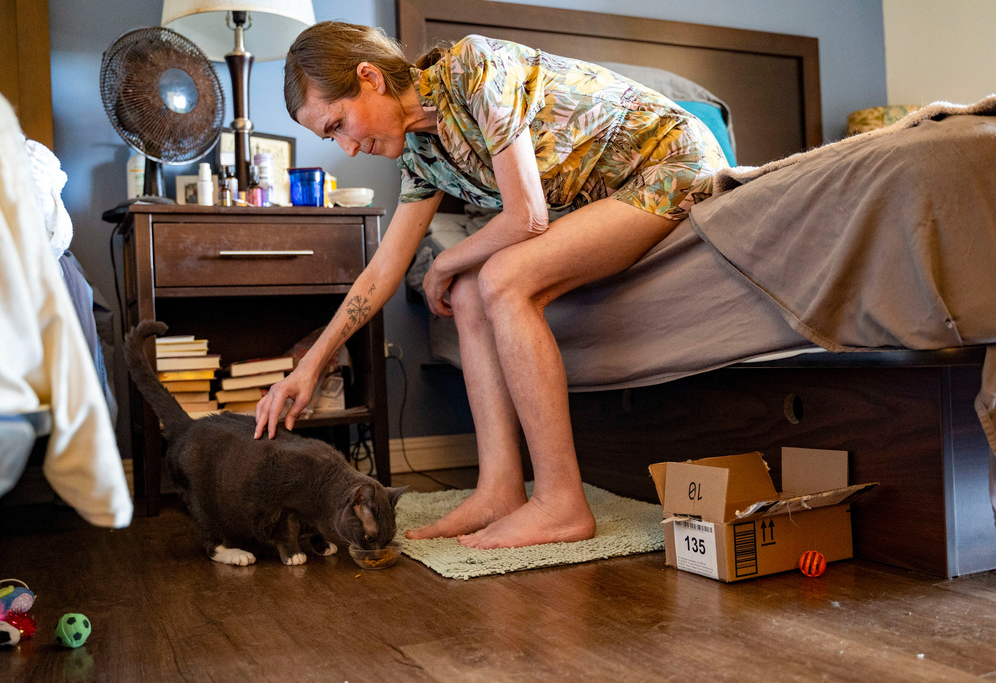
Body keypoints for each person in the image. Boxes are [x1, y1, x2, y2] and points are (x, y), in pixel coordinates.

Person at [253, 21, 727, 549]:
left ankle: (561, 504)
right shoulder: (420, 153)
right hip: (609, 200)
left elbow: (527, 216)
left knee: (500, 277)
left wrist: (443, 261)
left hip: (673, 164)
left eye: (338, 123)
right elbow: (383, 270)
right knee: (467, 290)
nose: (348, 146)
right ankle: (500, 489)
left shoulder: (474, 68)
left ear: (370, 78)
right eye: (330, 136)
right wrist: (309, 366)